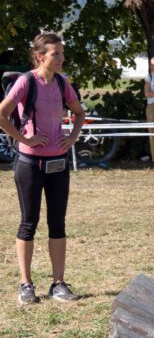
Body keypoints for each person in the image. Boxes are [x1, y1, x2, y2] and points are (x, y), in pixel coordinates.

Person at [0, 32, 87, 305]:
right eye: (55, 54)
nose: (61, 58)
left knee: (57, 223)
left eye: (61, 53)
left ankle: (58, 284)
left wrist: (72, 138)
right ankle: (26, 285)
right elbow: (2, 114)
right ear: (40, 56)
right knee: (29, 223)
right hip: (29, 163)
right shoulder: (26, 82)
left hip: (58, 163)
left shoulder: (62, 83)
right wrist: (24, 139)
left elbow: (80, 112)